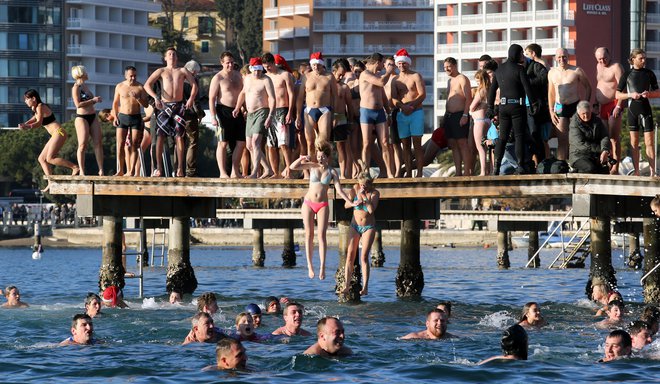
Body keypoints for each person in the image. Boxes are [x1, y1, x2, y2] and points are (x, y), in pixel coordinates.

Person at [289, 140, 356, 279]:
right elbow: (292, 166)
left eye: (322, 157)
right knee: (309, 234)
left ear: (328, 157)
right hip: (308, 203)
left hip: (322, 205)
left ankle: (322, 267)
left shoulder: (332, 171)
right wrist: (302, 158)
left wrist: (351, 202)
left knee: (321, 236)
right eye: (318, 156)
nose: (320, 159)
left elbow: (340, 190)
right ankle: (310, 266)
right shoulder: (312, 166)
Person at [144, 47, 198, 177]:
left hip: (179, 107)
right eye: (169, 54)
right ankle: (158, 168)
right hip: (164, 106)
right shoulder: (161, 71)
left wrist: (191, 98)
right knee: (160, 137)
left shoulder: (182, 70)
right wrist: (156, 97)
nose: (172, 56)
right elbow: (147, 85)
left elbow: (194, 85)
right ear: (165, 58)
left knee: (179, 137)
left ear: (177, 58)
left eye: (174, 54)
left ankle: (180, 168)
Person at [487, 44, 538, 176]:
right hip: (517, 107)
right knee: (519, 137)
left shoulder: (499, 70)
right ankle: (520, 167)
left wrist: (490, 108)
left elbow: (492, 91)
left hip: (503, 108)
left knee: (502, 138)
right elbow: (528, 89)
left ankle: (496, 169)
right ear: (517, 54)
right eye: (521, 53)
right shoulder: (519, 69)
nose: (523, 56)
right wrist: (534, 104)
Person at [19, 89, 79, 192]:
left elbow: (38, 123)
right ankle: (51, 182)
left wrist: (27, 126)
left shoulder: (40, 106)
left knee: (50, 158)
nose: (25, 101)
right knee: (42, 159)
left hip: (59, 133)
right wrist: (25, 124)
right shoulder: (37, 108)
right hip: (55, 134)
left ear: (33, 98)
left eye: (26, 99)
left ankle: (75, 167)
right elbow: (35, 118)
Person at [616, 48, 660, 176]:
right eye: (641, 58)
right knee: (634, 142)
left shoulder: (649, 73)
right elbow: (617, 94)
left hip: (646, 109)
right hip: (633, 110)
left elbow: (658, 92)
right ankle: (636, 172)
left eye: (645, 58)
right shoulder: (627, 75)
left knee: (649, 142)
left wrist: (649, 94)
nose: (644, 60)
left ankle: (653, 171)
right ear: (633, 59)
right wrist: (630, 95)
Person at [233, 57, 276, 179]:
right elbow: (243, 93)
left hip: (262, 111)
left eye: (259, 70)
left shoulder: (266, 80)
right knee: (249, 146)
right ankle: (268, 170)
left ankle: (255, 172)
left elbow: (272, 98)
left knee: (256, 142)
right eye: (255, 70)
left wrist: (270, 116)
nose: (257, 73)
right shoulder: (247, 79)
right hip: (250, 114)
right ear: (251, 69)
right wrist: (237, 108)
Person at [547, 47, 592, 161]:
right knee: (561, 139)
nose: (562, 59)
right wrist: (551, 111)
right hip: (560, 107)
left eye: (564, 57)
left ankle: (575, 164)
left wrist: (584, 106)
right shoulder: (552, 72)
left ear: (568, 57)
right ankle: (561, 165)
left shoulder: (576, 70)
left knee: (575, 138)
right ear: (556, 58)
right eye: (559, 57)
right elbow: (551, 93)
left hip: (574, 106)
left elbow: (588, 87)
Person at [340, 170, 379, 296]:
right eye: (361, 183)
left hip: (368, 226)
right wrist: (353, 203)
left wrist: (363, 197)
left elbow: (371, 210)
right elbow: (346, 205)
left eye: (366, 184)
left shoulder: (375, 193)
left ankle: (365, 287)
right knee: (350, 255)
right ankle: (346, 285)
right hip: (355, 225)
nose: (363, 186)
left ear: (370, 183)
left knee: (363, 257)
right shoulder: (354, 188)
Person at [209, 51, 246, 178]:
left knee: (241, 143)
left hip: (238, 111)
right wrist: (213, 117)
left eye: (231, 62)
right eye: (227, 63)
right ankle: (223, 172)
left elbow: (244, 94)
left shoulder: (239, 76)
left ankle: (235, 171)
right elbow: (211, 98)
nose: (230, 65)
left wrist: (244, 109)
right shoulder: (218, 78)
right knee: (223, 143)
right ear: (222, 63)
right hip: (222, 112)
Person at [359, 52, 395, 178]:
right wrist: (389, 72)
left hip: (379, 112)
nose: (384, 66)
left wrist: (388, 112)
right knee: (367, 143)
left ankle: (389, 172)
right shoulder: (365, 74)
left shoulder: (379, 75)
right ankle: (366, 172)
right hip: (366, 111)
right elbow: (380, 83)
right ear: (377, 62)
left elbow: (383, 95)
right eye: (383, 63)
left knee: (385, 142)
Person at [391, 48, 426, 178]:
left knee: (417, 143)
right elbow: (393, 98)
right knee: (405, 144)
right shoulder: (395, 80)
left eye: (404, 63)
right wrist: (401, 106)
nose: (401, 65)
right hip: (402, 113)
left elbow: (422, 94)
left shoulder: (415, 76)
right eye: (399, 63)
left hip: (416, 112)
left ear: (408, 63)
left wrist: (411, 106)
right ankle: (409, 173)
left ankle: (420, 173)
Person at [296, 52, 337, 159]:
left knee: (323, 142)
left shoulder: (329, 77)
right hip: (309, 110)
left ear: (322, 64)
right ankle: (313, 170)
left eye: (318, 65)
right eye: (314, 65)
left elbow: (335, 97)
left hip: (324, 110)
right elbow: (300, 97)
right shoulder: (306, 77)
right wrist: (297, 116)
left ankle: (326, 169)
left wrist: (335, 115)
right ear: (311, 65)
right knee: (310, 142)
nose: (316, 67)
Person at [111, 66, 149, 176]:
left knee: (134, 145)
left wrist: (138, 98)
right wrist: (115, 117)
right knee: (120, 144)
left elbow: (146, 104)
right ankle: (120, 170)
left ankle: (131, 170)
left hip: (135, 117)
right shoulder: (120, 86)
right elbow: (115, 103)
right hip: (122, 117)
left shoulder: (140, 87)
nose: (133, 78)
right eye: (131, 76)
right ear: (126, 75)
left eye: (135, 76)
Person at [262, 52, 295, 179]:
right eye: (265, 67)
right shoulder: (265, 77)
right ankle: (275, 173)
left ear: (273, 63)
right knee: (271, 145)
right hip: (270, 112)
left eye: (268, 66)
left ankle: (288, 170)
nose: (267, 69)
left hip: (283, 110)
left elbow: (291, 94)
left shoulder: (285, 75)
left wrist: (290, 112)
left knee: (283, 144)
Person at [594, 47, 625, 174]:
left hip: (614, 103)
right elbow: (599, 84)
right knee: (605, 137)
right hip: (602, 105)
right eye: (599, 59)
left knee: (613, 137)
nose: (602, 60)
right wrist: (596, 102)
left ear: (609, 54)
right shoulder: (599, 66)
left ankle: (615, 166)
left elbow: (623, 87)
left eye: (604, 58)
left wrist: (618, 106)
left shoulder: (616, 67)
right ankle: (608, 163)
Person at [71, 65, 104, 176]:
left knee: (98, 143)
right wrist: (93, 100)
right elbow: (78, 104)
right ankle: (82, 170)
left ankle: (101, 170)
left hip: (92, 116)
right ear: (81, 74)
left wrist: (95, 100)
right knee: (82, 145)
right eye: (86, 72)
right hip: (82, 118)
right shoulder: (76, 87)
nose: (87, 74)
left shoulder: (85, 86)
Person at [443, 57, 473, 176]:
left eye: (448, 66)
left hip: (460, 114)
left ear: (455, 65)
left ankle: (466, 172)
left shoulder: (462, 78)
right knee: (453, 144)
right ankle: (458, 172)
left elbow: (468, 98)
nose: (447, 69)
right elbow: (448, 98)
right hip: (449, 116)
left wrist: (465, 115)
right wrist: (445, 116)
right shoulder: (449, 81)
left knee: (462, 143)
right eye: (445, 67)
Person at [524, 43, 551, 165]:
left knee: (541, 137)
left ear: (533, 54)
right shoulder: (534, 66)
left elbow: (544, 82)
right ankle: (539, 162)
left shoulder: (540, 65)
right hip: (537, 104)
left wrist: (526, 82)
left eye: (527, 53)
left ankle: (543, 162)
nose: (525, 56)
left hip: (539, 105)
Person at [568, 101, 611, 174]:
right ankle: (575, 173)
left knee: (604, 170)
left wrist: (605, 150)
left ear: (591, 111)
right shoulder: (574, 124)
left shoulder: (597, 121)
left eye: (587, 113)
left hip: (594, 155)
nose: (586, 116)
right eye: (583, 114)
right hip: (578, 155)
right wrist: (600, 150)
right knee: (590, 168)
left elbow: (604, 136)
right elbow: (581, 144)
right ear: (578, 113)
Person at [331, 59, 356, 179]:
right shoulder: (326, 85)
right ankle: (326, 172)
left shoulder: (344, 87)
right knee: (325, 146)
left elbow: (350, 106)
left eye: (343, 75)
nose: (341, 77)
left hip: (341, 118)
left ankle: (343, 174)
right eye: (339, 74)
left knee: (341, 146)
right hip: (327, 117)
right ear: (333, 71)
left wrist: (350, 121)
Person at [182, 60, 204, 177]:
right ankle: (190, 170)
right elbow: (195, 101)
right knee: (192, 142)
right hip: (190, 115)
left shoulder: (178, 78)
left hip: (178, 114)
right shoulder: (193, 81)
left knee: (180, 142)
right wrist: (200, 114)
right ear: (194, 71)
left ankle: (178, 168)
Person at [469, 70, 491, 175]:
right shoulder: (490, 89)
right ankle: (489, 170)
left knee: (480, 148)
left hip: (479, 121)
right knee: (487, 147)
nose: (477, 83)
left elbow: (472, 107)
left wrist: (470, 111)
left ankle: (483, 171)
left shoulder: (481, 90)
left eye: (478, 81)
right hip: (487, 120)